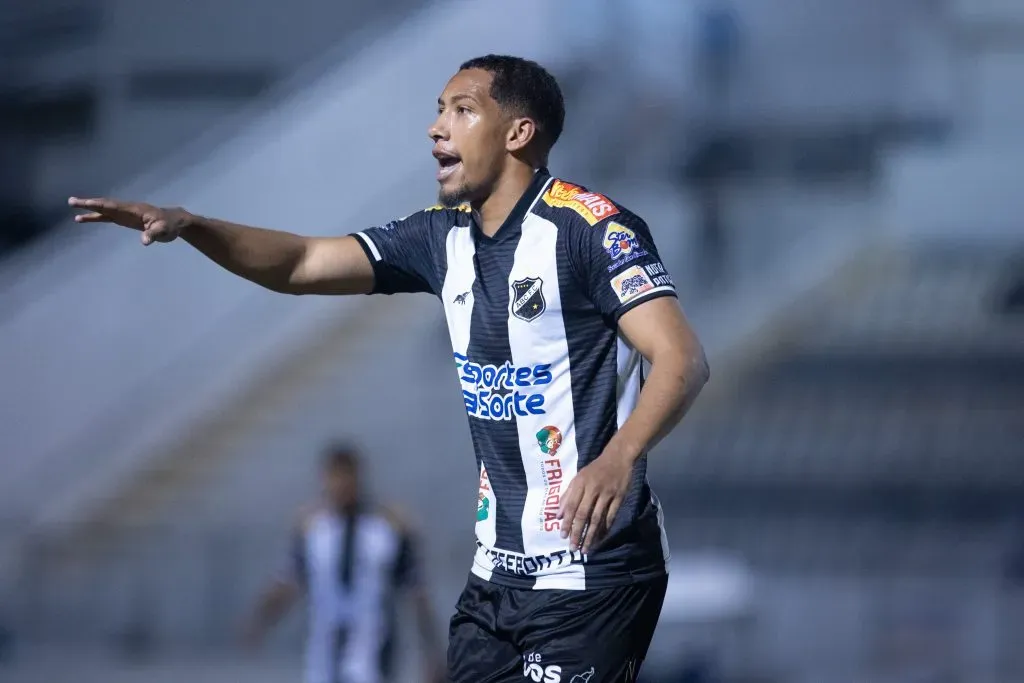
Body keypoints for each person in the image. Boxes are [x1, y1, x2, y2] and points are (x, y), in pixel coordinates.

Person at [69, 54, 710, 683]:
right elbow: (300, 265)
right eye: (438, 111)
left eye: (462, 110)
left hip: (592, 574)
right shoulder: (438, 237)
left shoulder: (589, 230)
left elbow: (682, 358)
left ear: (519, 133)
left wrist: (618, 456)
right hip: (495, 580)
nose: (437, 128)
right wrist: (194, 225)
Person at [243, 443, 444, 683]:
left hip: (375, 654)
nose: (340, 485)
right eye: (334, 477)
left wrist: (432, 650)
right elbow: (288, 581)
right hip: (323, 655)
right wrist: (260, 620)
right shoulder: (313, 528)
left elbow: (416, 593)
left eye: (346, 476)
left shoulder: (387, 527)